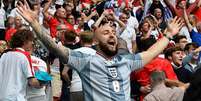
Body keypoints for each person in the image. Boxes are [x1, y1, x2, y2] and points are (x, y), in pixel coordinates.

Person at [17, 1, 183, 100]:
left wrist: (168, 35)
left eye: (113, 33)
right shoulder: (85, 60)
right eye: (106, 33)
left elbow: (151, 52)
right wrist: (35, 23)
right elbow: (55, 48)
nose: (112, 35)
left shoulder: (126, 61)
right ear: (96, 40)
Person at [0, 29, 41, 101]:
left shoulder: (4, 55)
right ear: (25, 41)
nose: (32, 43)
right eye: (31, 40)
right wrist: (41, 84)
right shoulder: (25, 56)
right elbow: (32, 81)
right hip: (16, 97)